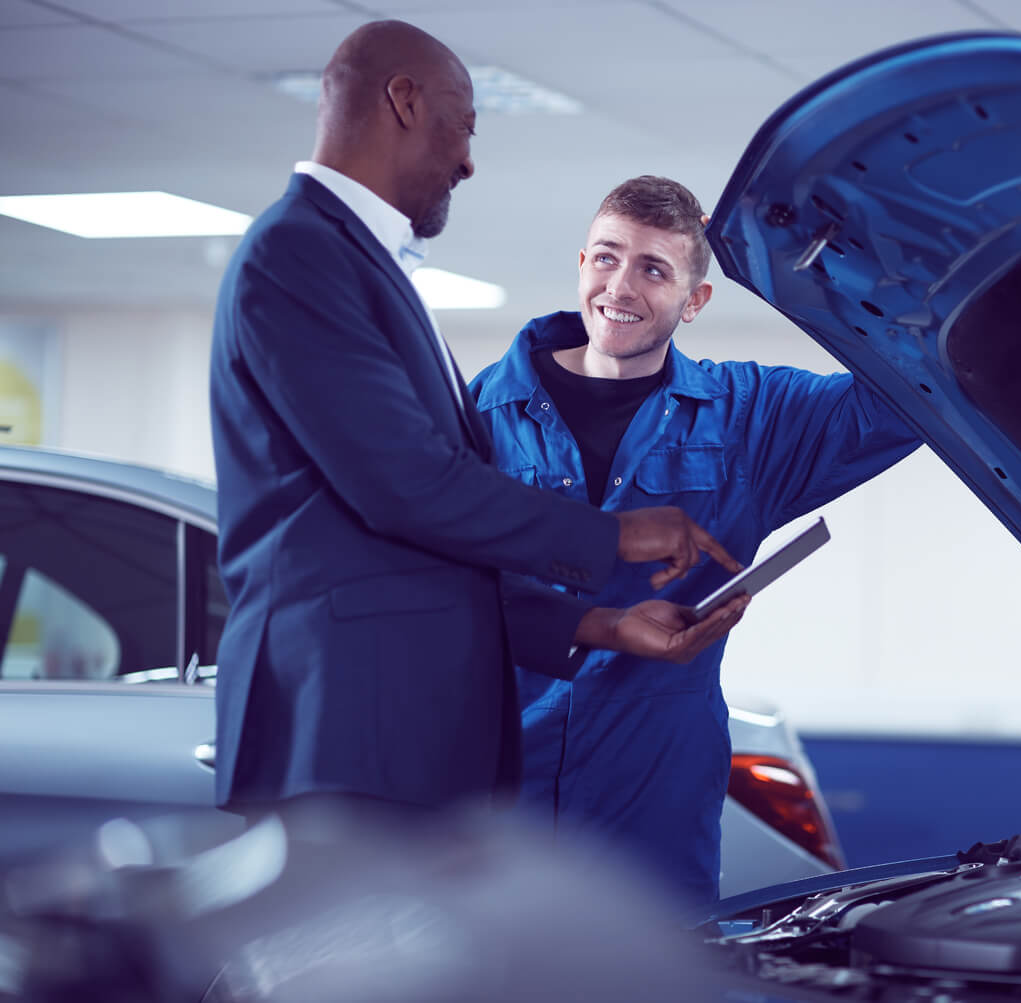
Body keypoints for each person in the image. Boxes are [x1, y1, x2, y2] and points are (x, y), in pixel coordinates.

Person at [208, 24, 748, 824]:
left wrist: (598, 622)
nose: (467, 160)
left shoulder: (361, 263)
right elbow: (409, 486)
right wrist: (616, 536)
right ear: (403, 100)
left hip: (387, 734)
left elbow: (424, 550)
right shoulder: (299, 252)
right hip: (349, 728)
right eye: (464, 128)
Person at [468, 176, 922, 903]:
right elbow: (440, 588)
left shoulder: (751, 418)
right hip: (494, 789)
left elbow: (905, 395)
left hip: (653, 798)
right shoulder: (479, 413)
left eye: (654, 269)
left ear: (696, 299)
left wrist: (825, 264)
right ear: (581, 262)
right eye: (608, 258)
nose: (621, 285)